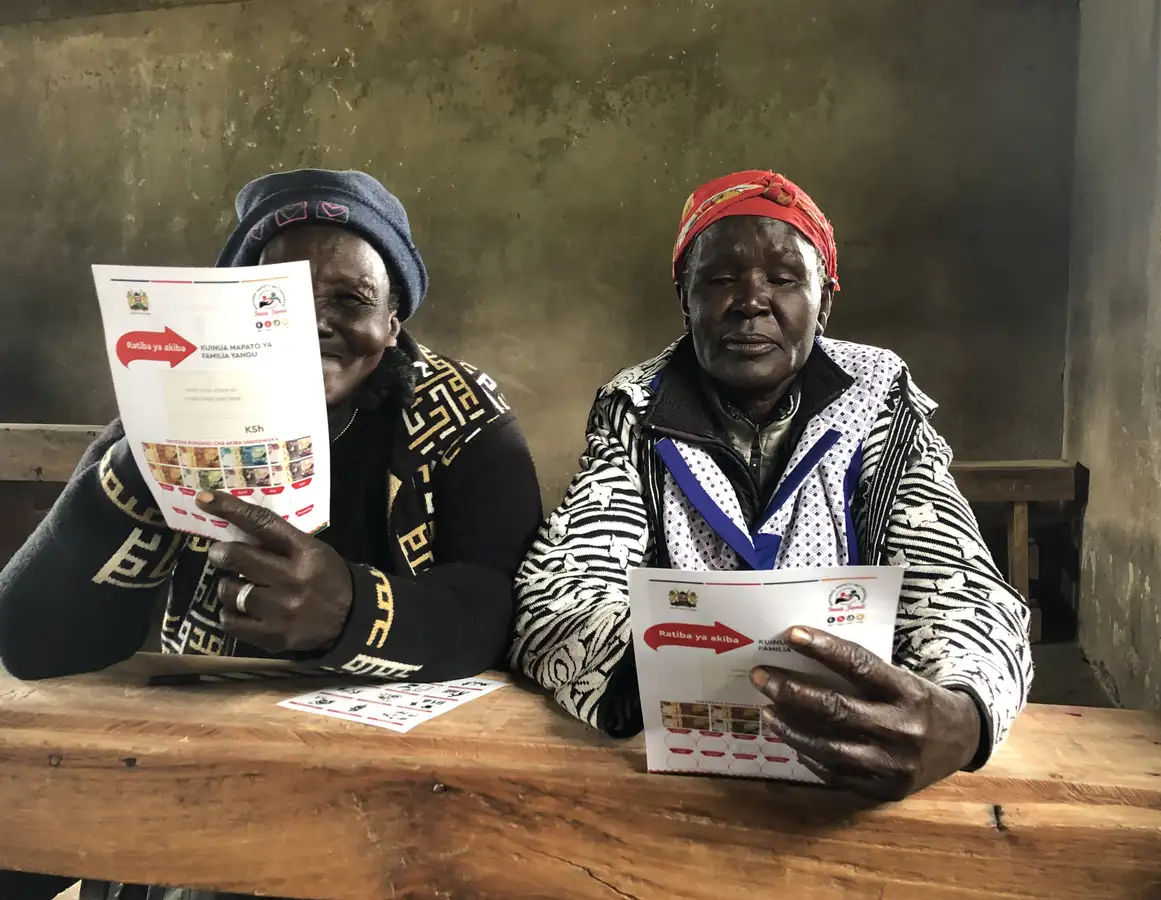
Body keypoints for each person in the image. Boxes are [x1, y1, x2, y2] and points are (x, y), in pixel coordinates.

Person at [0, 169, 542, 900]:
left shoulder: (460, 413)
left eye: (350, 301)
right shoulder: (171, 411)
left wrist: (353, 610)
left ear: (393, 323)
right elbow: (31, 642)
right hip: (205, 764)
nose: (309, 325)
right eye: (272, 299)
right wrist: (137, 468)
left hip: (407, 787)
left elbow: (501, 605)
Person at [509, 170, 1033, 800]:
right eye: (720, 279)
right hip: (685, 761)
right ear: (684, 298)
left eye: (783, 279)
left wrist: (963, 714)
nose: (750, 301)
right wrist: (681, 670)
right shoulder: (637, 409)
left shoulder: (880, 402)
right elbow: (558, 591)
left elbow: (957, 582)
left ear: (825, 301)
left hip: (851, 765)